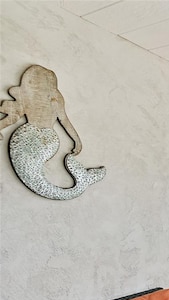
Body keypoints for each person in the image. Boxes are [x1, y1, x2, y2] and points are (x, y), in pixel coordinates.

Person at [0, 65, 105, 200]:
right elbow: (64, 121)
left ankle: (83, 180)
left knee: (32, 175)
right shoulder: (48, 98)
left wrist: (77, 140)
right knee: (32, 174)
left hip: (32, 136)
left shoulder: (43, 97)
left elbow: (12, 118)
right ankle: (82, 181)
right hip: (43, 138)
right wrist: (76, 141)